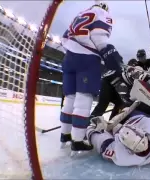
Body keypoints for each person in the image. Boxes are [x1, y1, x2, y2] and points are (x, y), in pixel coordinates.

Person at [59, 2, 124, 154]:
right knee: (83, 101)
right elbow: (99, 38)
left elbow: (64, 37)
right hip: (87, 60)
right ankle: (77, 140)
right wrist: (109, 54)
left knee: (69, 99)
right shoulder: (102, 14)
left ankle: (65, 134)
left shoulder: (80, 14)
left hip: (68, 58)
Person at [86, 80, 150, 166]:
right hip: (144, 117)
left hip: (123, 125)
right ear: (143, 133)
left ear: (128, 149)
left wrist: (92, 129)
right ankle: (132, 92)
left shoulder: (121, 156)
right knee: (133, 106)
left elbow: (102, 143)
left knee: (119, 115)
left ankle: (123, 109)